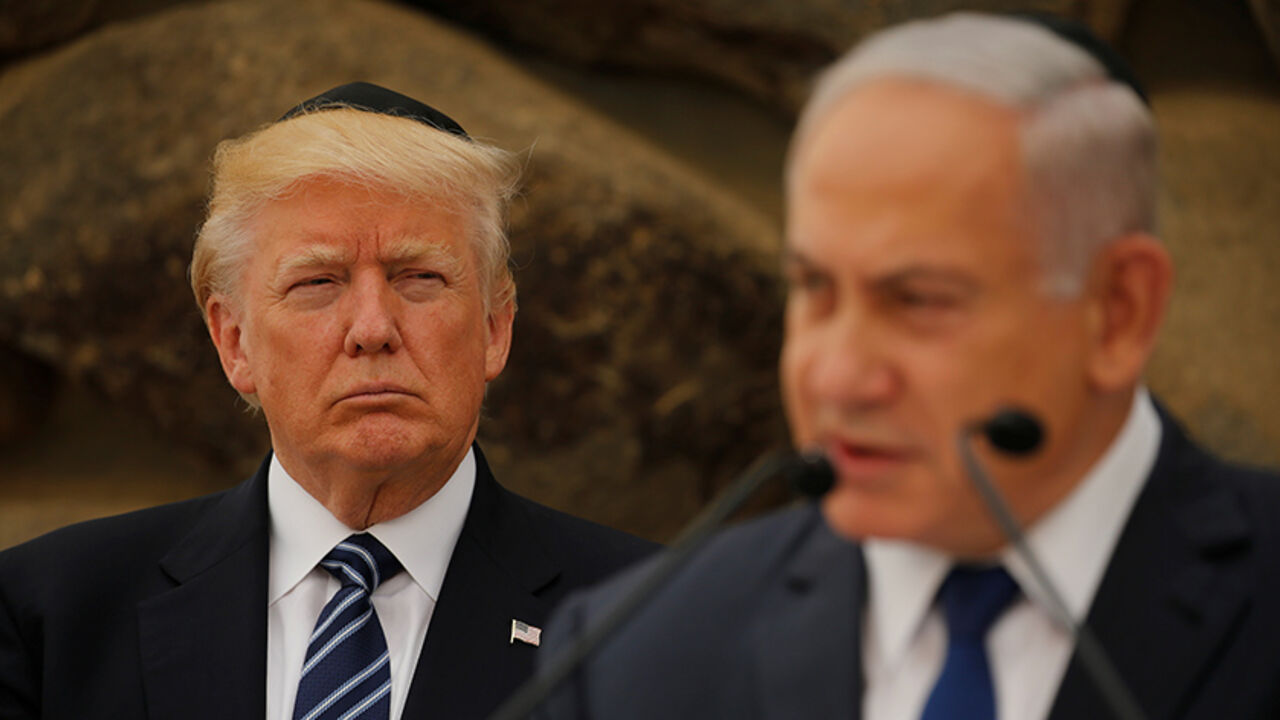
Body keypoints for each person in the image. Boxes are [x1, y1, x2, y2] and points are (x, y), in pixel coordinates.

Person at [537, 13, 1280, 720]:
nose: (836, 379)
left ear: (1118, 312)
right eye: (814, 289)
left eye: (920, 301)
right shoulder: (633, 657)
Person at [0, 82, 656, 720]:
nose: (372, 328)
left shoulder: (655, 613)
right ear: (234, 342)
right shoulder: (50, 615)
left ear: (494, 327)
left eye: (420, 277)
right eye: (317, 282)